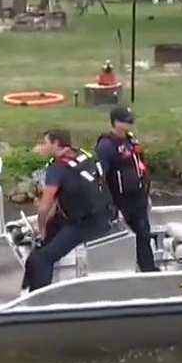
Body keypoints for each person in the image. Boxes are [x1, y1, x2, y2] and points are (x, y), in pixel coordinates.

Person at [23, 129, 115, 291]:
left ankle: (40, 300)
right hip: (101, 214)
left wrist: (41, 228)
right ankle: (27, 283)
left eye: (45, 143)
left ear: (56, 144)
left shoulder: (57, 169)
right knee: (41, 246)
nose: (43, 146)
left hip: (85, 224)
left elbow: (44, 207)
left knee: (43, 259)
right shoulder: (83, 156)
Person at [95, 106, 159, 272]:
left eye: (131, 120)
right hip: (120, 201)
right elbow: (101, 179)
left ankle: (149, 271)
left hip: (138, 198)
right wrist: (113, 208)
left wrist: (146, 195)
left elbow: (140, 168)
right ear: (116, 123)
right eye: (126, 120)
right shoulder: (105, 146)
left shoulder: (131, 141)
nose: (131, 123)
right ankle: (122, 272)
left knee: (144, 236)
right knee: (123, 240)